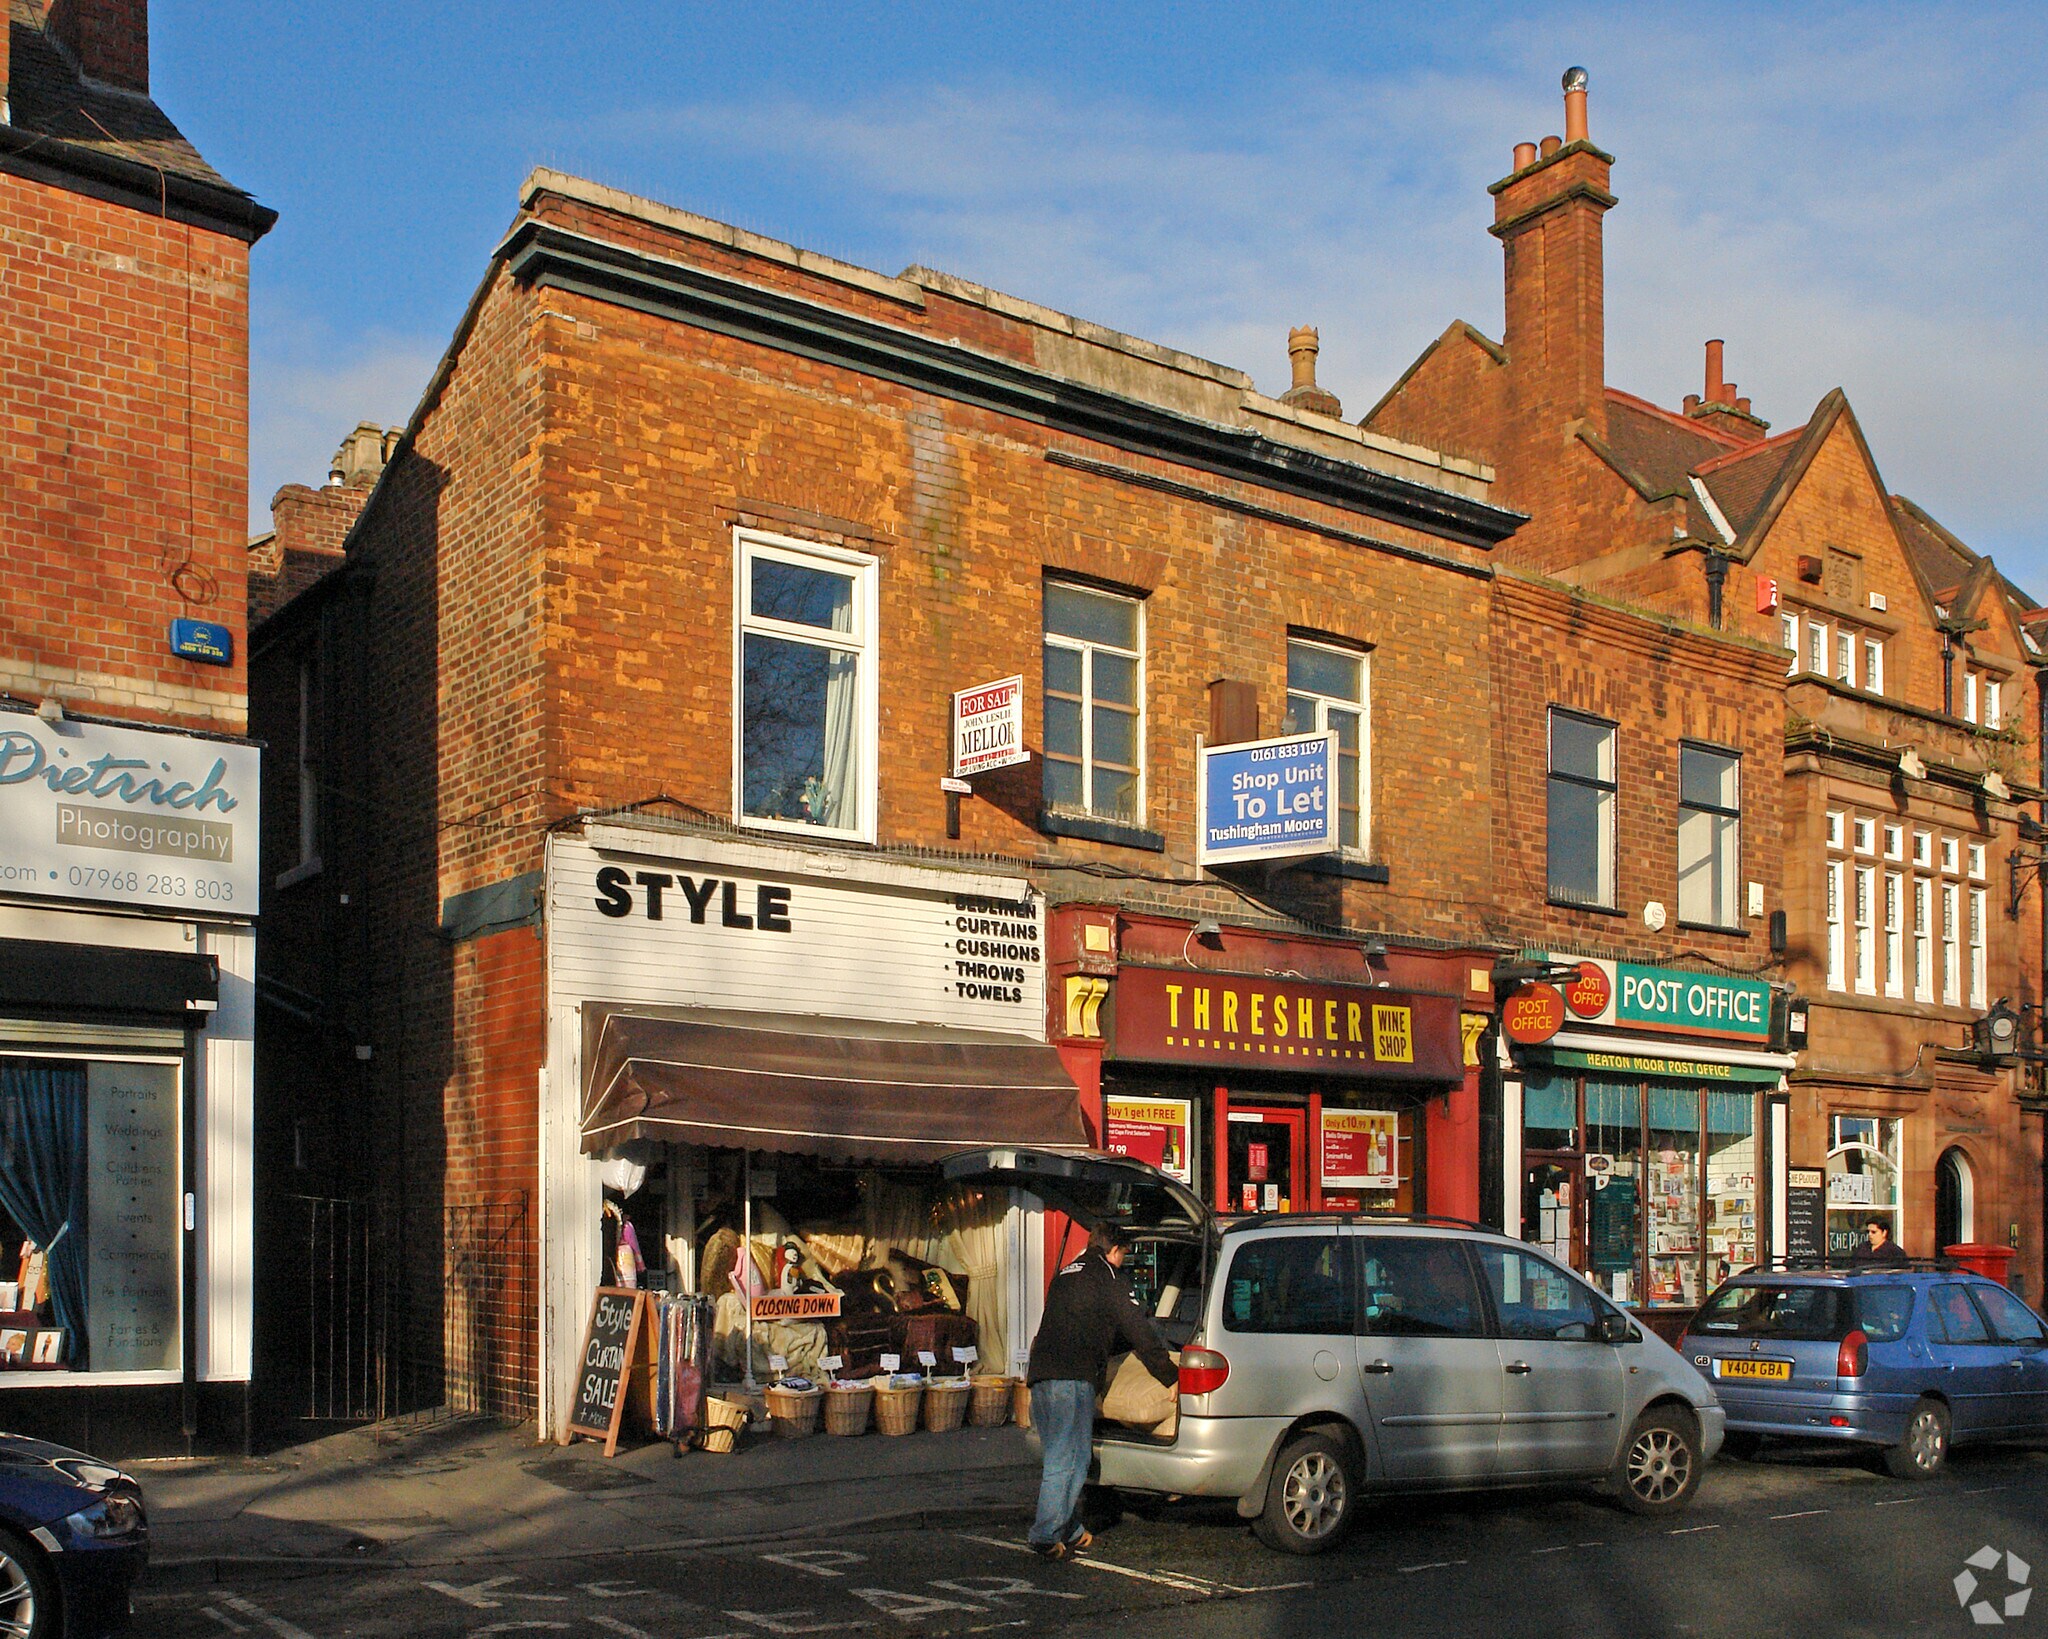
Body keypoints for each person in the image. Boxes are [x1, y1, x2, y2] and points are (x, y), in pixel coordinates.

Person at [1024, 1222, 1177, 1560]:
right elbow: (1138, 1329)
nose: (1123, 1260)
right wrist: (1169, 1375)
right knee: (1071, 1460)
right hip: (1071, 1379)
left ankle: (1069, 1529)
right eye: (1123, 1254)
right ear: (1113, 1251)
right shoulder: (1108, 1278)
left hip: (1040, 1375)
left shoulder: (1066, 1273)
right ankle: (1045, 1535)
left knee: (1057, 1457)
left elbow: (1083, 1322)